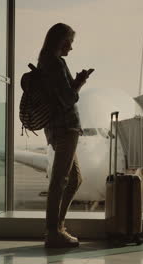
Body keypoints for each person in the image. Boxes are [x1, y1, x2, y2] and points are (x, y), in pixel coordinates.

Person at [37, 23, 93, 248]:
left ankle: (58, 227)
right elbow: (68, 99)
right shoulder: (56, 63)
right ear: (61, 41)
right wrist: (79, 83)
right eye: (70, 41)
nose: (71, 47)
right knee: (60, 181)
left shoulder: (44, 63)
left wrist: (73, 84)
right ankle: (53, 231)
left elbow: (58, 95)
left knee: (74, 179)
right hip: (66, 127)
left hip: (55, 128)